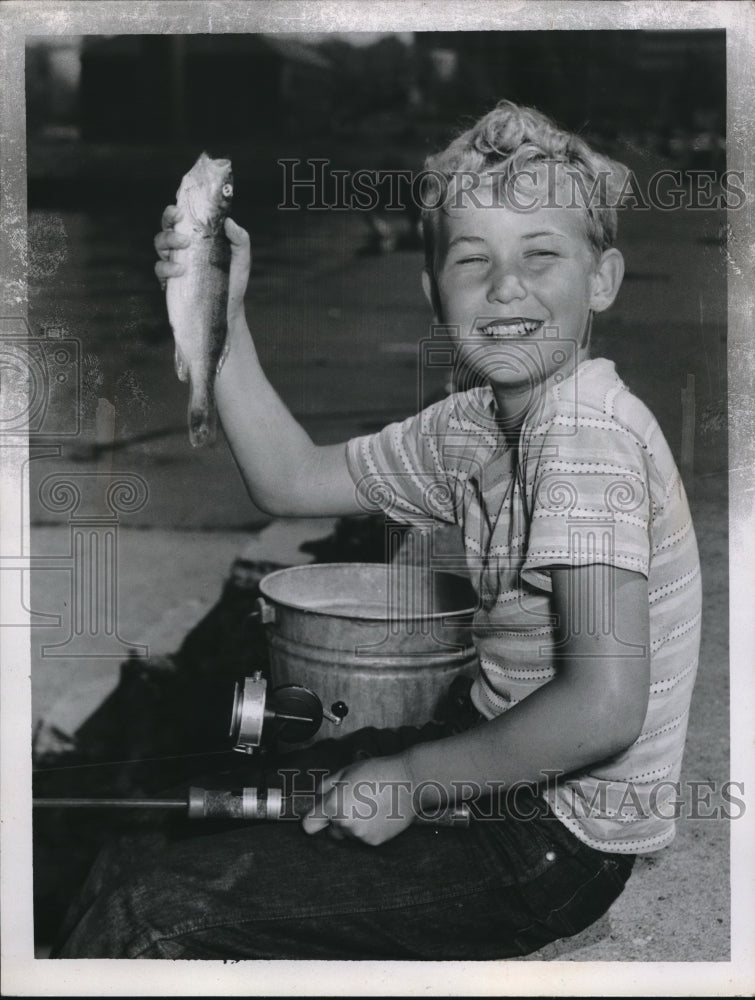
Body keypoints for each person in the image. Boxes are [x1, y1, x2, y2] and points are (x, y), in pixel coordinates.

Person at [54, 101, 701, 960]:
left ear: (605, 278)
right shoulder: (472, 425)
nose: (506, 286)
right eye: (472, 260)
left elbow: (604, 708)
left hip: (556, 842)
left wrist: (411, 782)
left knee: (150, 915)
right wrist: (225, 312)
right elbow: (289, 479)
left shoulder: (585, 434)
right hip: (487, 756)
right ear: (431, 289)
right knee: (163, 825)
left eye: (540, 256)